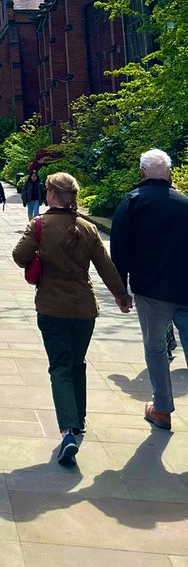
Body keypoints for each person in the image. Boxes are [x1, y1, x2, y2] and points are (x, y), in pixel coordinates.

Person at [13, 171, 131, 465]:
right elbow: (106, 266)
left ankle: (67, 431)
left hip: (51, 308)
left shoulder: (39, 225)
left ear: (52, 195)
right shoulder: (88, 228)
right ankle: (79, 420)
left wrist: (39, 252)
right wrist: (122, 296)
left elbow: (19, 256)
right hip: (84, 309)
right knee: (77, 363)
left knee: (60, 368)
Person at [110, 148, 188, 432]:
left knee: (155, 349)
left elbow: (119, 250)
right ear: (169, 173)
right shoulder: (185, 203)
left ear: (142, 173)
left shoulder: (133, 202)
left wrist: (120, 292)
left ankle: (162, 410)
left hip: (152, 290)